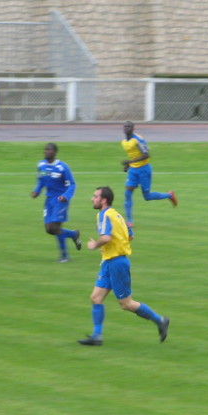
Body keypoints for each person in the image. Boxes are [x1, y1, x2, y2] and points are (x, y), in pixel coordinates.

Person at [78, 186, 170, 346]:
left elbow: (106, 237)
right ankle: (97, 336)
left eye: (95, 196)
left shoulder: (103, 215)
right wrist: (112, 246)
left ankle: (160, 320)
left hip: (117, 263)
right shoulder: (117, 215)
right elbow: (131, 235)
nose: (92, 199)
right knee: (96, 297)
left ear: (103, 200)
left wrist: (95, 245)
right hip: (109, 261)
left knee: (126, 304)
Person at [30, 142, 81, 262]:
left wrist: (65, 196)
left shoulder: (62, 167)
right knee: (49, 229)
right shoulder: (41, 165)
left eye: (48, 150)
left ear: (55, 152)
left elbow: (72, 184)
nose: (45, 151)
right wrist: (36, 191)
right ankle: (73, 235)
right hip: (49, 200)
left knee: (55, 226)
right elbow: (41, 181)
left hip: (60, 200)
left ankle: (64, 256)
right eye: (45, 150)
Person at [120, 120, 177, 226]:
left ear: (133, 129)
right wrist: (127, 166)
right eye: (125, 127)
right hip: (133, 170)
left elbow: (146, 155)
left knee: (147, 196)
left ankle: (169, 195)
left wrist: (130, 162)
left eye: (128, 127)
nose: (126, 128)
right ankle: (129, 221)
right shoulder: (123, 142)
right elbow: (132, 156)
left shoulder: (138, 140)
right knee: (127, 193)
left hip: (144, 169)